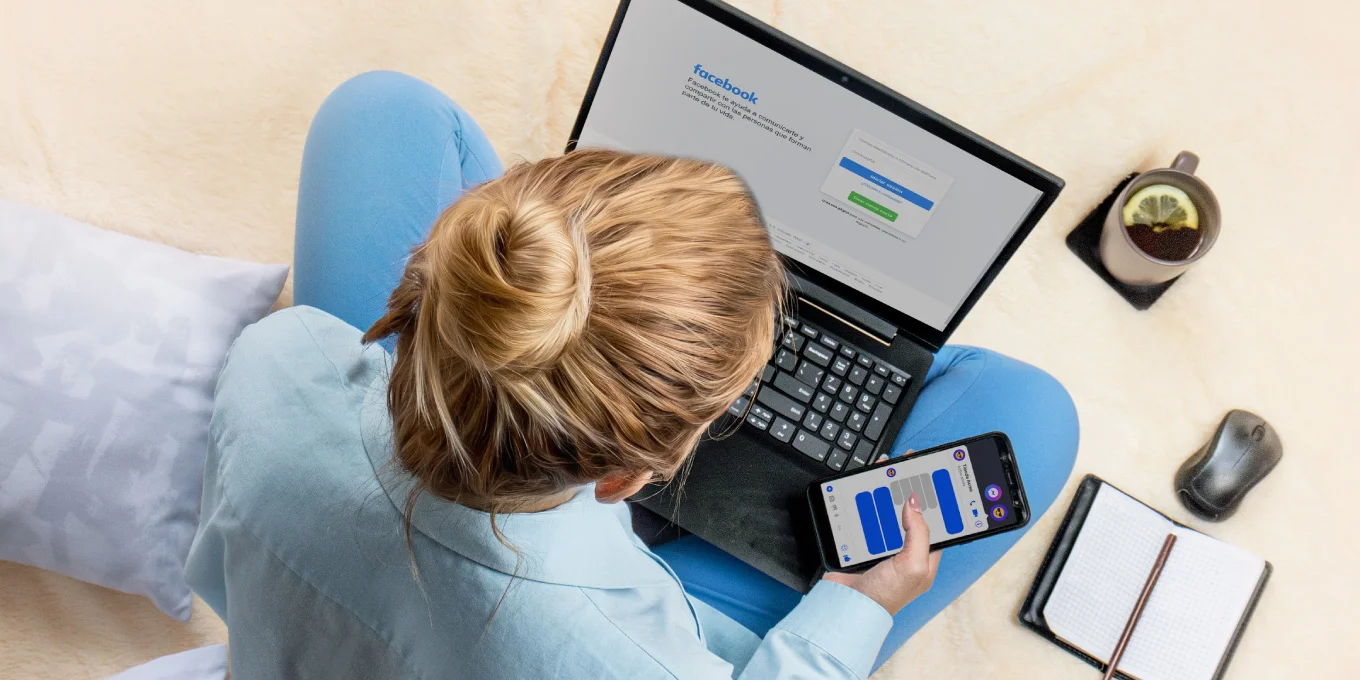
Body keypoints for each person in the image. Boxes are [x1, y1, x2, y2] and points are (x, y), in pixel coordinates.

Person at [186, 71, 1078, 679]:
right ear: (624, 478)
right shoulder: (639, 663)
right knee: (1030, 415)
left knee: (383, 108)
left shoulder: (277, 363)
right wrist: (856, 607)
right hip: (573, 624)